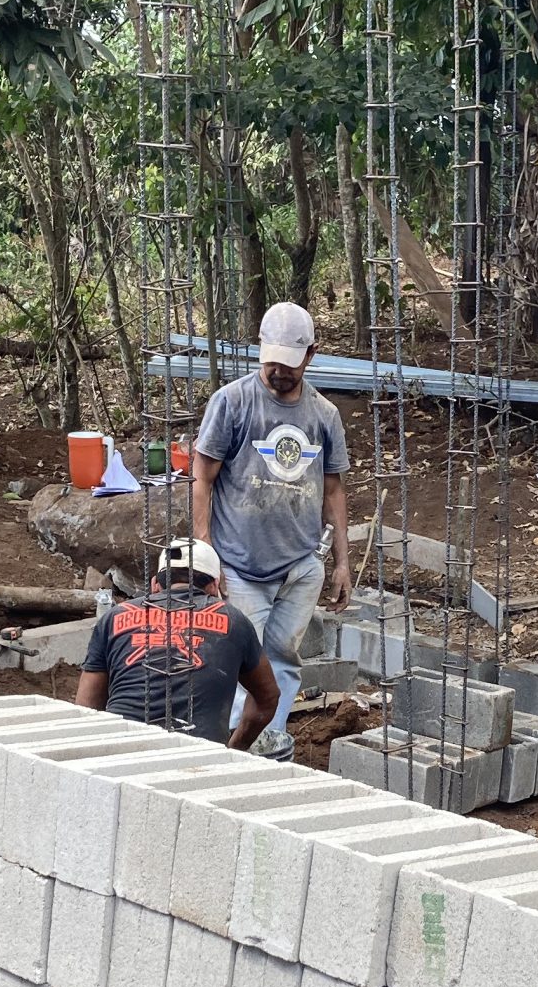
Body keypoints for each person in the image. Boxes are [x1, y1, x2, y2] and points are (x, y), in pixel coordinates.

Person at [191, 300, 352, 758]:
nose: (279, 373)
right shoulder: (233, 402)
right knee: (242, 661)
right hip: (240, 564)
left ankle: (271, 747)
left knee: (283, 657)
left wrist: (342, 561)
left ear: (311, 355)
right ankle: (234, 752)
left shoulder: (323, 415)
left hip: (299, 565)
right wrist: (205, 549)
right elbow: (202, 477)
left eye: (289, 365)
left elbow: (334, 490)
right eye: (272, 364)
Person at [76, 537, 279, 749]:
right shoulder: (234, 620)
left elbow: (86, 708)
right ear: (214, 586)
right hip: (200, 757)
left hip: (122, 752)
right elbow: (268, 696)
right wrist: (235, 749)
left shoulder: (114, 617)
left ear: (155, 584)